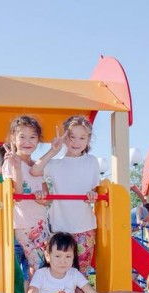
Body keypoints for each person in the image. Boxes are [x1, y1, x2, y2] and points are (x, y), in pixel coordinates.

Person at [29, 116, 100, 276]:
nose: (76, 142)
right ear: (65, 138)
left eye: (82, 138)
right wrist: (53, 150)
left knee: (81, 274)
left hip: (84, 227)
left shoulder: (92, 162)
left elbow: (94, 188)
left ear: (88, 139)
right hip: (60, 226)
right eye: (71, 137)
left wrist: (92, 194)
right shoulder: (55, 164)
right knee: (59, 272)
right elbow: (34, 170)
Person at [2, 115, 51, 274]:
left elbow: (47, 199)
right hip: (23, 224)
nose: (27, 142)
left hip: (41, 222)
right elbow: (18, 195)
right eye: (22, 137)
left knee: (42, 266)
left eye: (32, 137)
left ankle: (34, 290)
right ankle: (34, 291)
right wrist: (16, 168)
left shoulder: (37, 166)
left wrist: (42, 198)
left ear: (38, 140)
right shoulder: (10, 162)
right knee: (38, 265)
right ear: (13, 139)